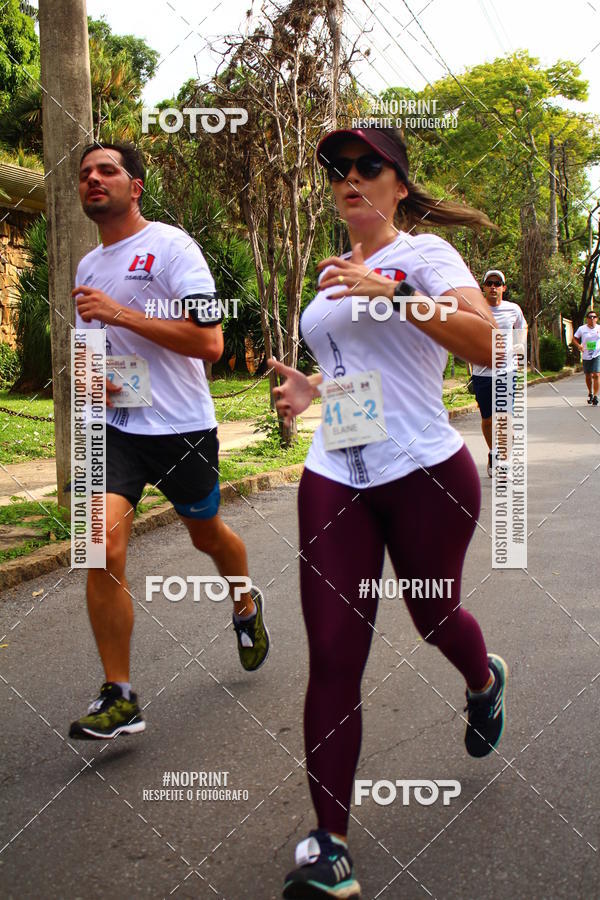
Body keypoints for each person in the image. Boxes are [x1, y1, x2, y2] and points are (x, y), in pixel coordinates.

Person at [270, 126, 508, 899]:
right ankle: (328, 845)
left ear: (399, 185)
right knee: (336, 652)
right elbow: (359, 372)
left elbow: (489, 349)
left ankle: (482, 679)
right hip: (336, 472)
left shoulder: (429, 259)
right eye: (340, 169)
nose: (351, 178)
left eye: (369, 166)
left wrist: (399, 293)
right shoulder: (331, 277)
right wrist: (313, 390)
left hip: (425, 473)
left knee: (433, 618)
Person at [69, 142, 269, 740]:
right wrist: (88, 380)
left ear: (135, 186)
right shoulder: (86, 267)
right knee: (98, 545)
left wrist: (121, 315)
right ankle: (121, 693)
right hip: (119, 429)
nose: (93, 180)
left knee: (206, 533)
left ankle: (245, 603)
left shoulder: (174, 247)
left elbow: (210, 343)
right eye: (84, 175)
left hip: (182, 428)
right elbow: (87, 347)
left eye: (107, 170)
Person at [470, 270, 527, 476]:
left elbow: (522, 326)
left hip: (506, 372)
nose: (493, 287)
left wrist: (519, 344)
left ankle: (505, 461)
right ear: (484, 287)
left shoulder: (513, 309)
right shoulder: (476, 308)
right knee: (487, 419)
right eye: (489, 283)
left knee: (504, 417)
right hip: (482, 373)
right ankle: (493, 452)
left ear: (504, 287)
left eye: (497, 283)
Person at [573, 310, 600, 405]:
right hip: (586, 355)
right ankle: (590, 392)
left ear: (596, 319)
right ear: (587, 319)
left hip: (597, 354)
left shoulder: (599, 328)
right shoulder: (582, 329)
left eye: (594, 317)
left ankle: (596, 396)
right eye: (590, 317)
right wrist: (579, 346)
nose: (592, 319)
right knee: (588, 376)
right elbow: (574, 338)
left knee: (596, 374)